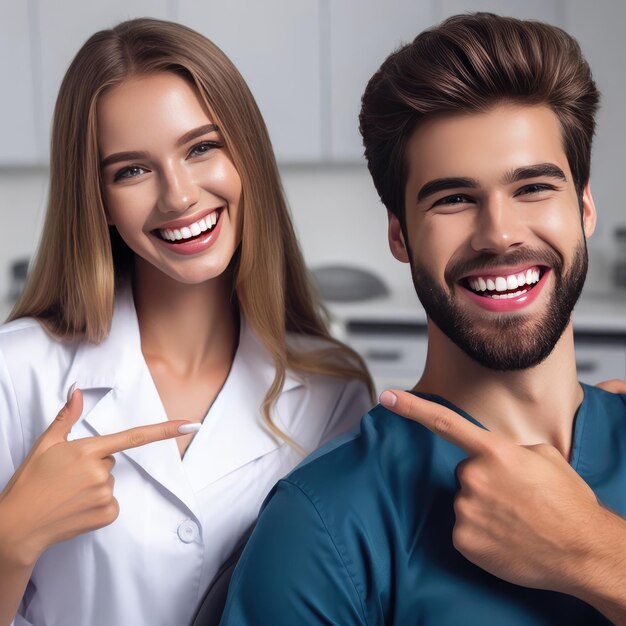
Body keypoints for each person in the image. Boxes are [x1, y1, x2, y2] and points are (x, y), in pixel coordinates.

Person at [219, 13, 626, 625]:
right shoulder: (322, 525)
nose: (501, 234)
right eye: (454, 199)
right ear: (399, 234)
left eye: (534, 187)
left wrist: (595, 553)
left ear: (585, 205)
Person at [0, 18, 373, 626]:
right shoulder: (16, 375)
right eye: (131, 170)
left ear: (246, 153)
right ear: (97, 201)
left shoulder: (333, 391)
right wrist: (10, 538)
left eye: (201, 147)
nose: (178, 196)